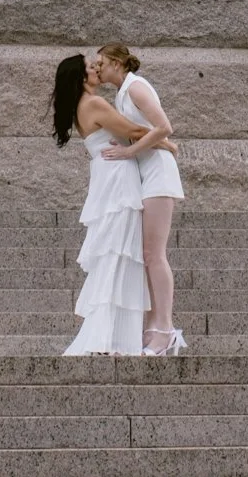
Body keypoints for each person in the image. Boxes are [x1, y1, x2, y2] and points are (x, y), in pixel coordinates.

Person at [51, 53, 176, 356]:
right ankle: (113, 336)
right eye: (89, 68)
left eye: (96, 65)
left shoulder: (80, 107)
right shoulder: (93, 104)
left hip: (108, 176)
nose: (95, 70)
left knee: (118, 252)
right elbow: (132, 130)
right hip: (118, 177)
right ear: (81, 78)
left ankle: (118, 335)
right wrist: (166, 143)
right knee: (120, 251)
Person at [95, 43, 187, 356]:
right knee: (146, 254)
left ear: (118, 63)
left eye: (103, 63)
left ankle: (165, 330)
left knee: (154, 254)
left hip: (158, 176)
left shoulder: (136, 87)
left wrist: (129, 151)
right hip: (146, 174)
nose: (99, 69)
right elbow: (149, 132)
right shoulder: (122, 93)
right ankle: (152, 328)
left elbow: (164, 126)